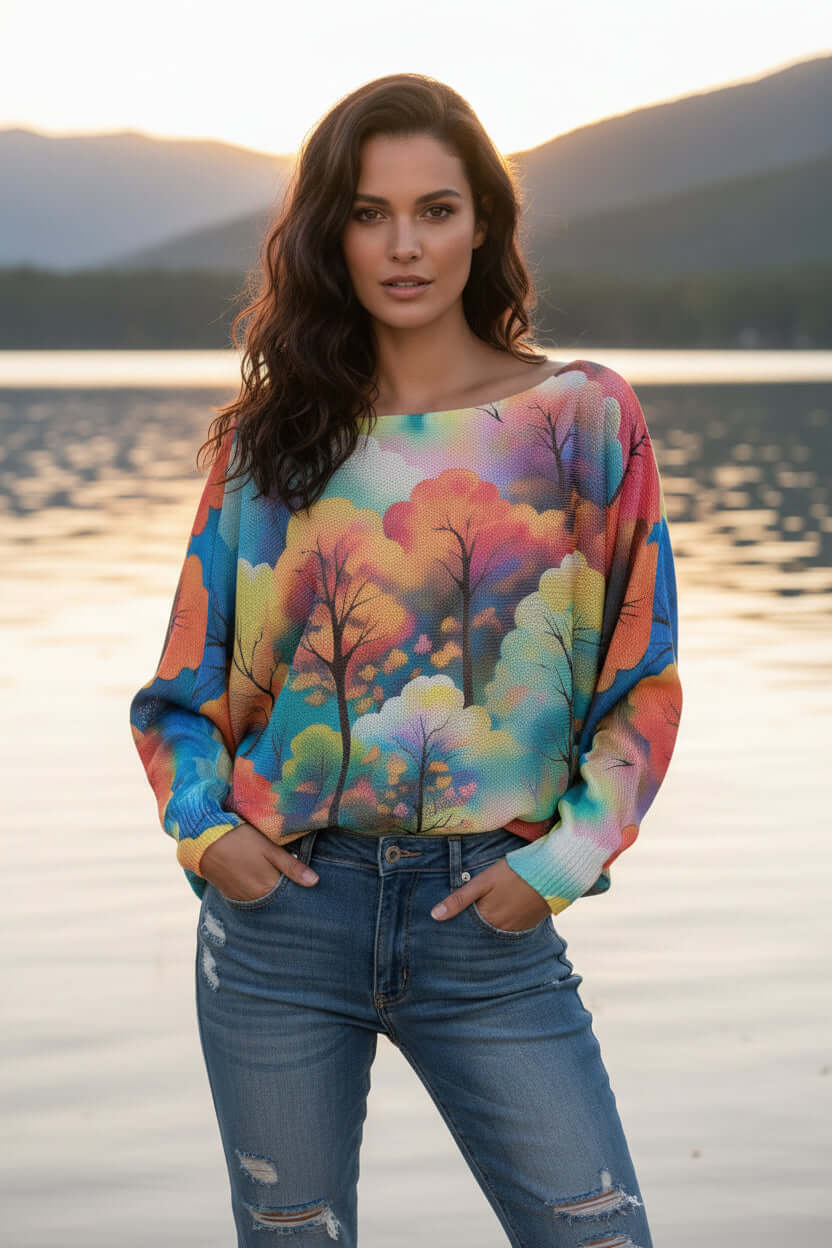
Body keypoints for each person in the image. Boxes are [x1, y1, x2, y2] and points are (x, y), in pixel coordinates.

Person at [129, 72, 682, 1248]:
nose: (405, 245)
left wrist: (563, 862)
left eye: (435, 209)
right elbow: (184, 690)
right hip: (282, 916)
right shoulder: (267, 441)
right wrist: (205, 831)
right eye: (370, 213)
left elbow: (641, 677)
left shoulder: (580, 419)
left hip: (487, 917)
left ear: (484, 220)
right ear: (331, 232)